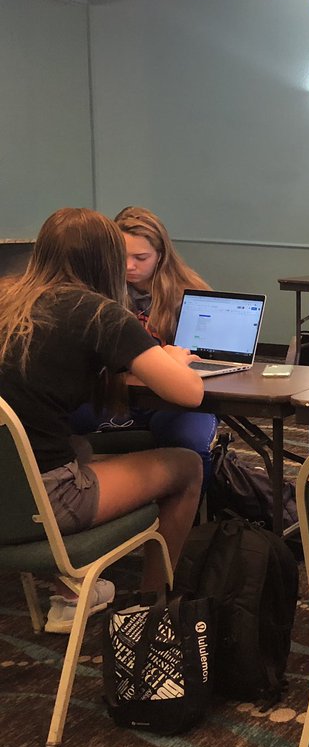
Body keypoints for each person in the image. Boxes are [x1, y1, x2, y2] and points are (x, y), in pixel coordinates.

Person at [0, 209, 204, 632]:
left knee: (80, 447)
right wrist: (171, 358)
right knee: (187, 466)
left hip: (9, 492)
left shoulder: (8, 299)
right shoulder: (97, 313)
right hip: (47, 502)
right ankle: (151, 608)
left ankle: (72, 590)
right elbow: (190, 392)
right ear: (107, 258)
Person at [69, 206, 219, 487]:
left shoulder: (189, 293)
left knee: (187, 440)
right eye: (120, 257)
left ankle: (200, 519)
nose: (129, 266)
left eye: (141, 258)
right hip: (112, 395)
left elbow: (202, 363)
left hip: (169, 399)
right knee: (51, 429)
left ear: (161, 256)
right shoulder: (93, 295)